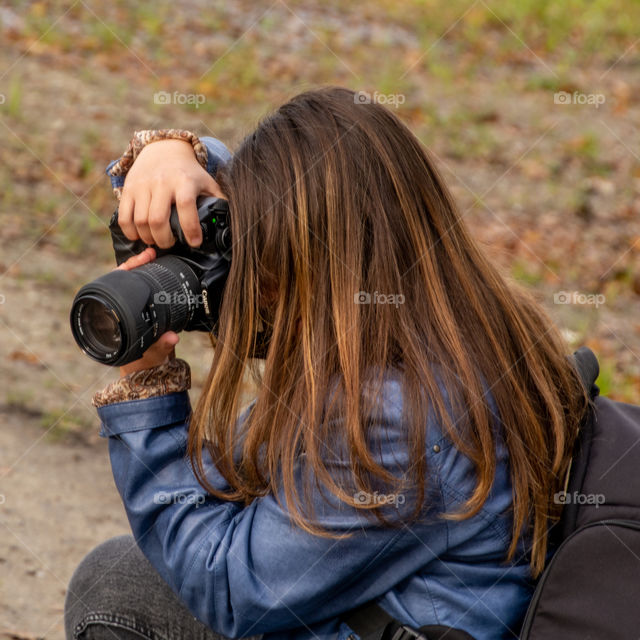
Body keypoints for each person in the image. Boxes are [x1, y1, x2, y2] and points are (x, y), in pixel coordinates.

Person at [64, 87, 588, 640]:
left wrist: (147, 385)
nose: (248, 279)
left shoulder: (386, 418)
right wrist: (169, 153)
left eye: (258, 252)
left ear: (310, 258)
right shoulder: (462, 320)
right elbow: (284, 199)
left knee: (114, 586)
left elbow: (229, 590)